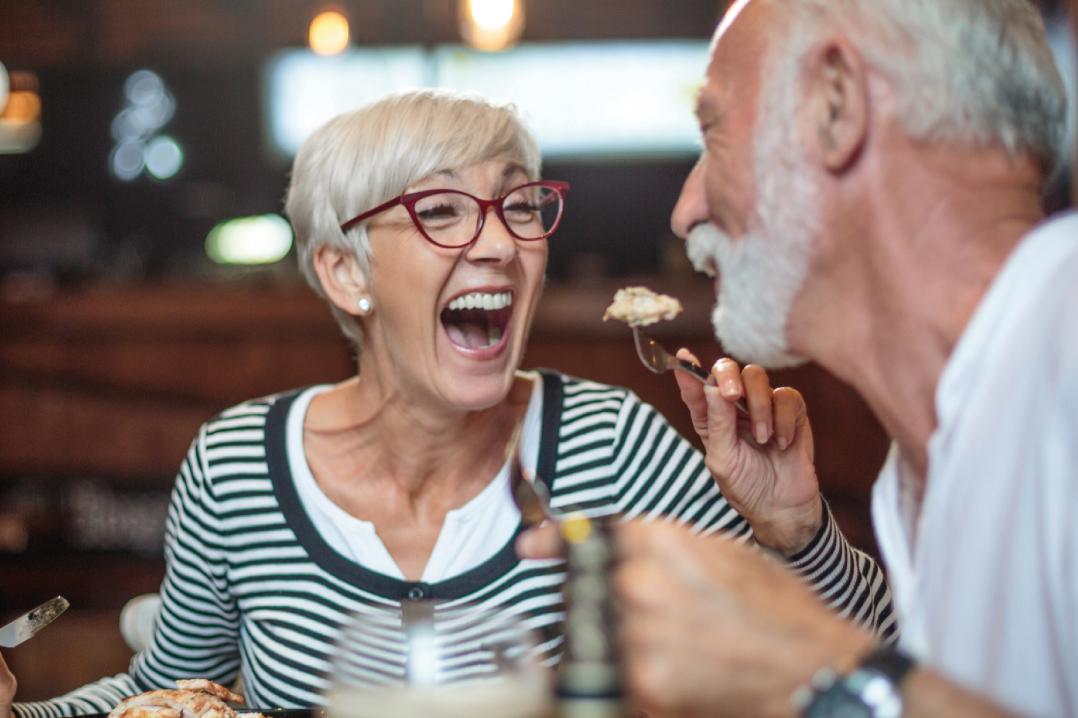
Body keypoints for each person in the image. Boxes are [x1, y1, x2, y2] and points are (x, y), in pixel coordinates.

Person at [0, 88, 895, 718]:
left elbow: (870, 675)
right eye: (442, 213)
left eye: (518, 208)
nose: (501, 247)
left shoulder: (611, 448)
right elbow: (162, 699)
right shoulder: (237, 467)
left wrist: (798, 533)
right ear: (345, 271)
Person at [523, 0, 1077, 715]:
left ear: (835, 105)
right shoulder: (919, 467)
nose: (683, 210)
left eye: (714, 134)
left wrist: (810, 666)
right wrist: (801, 540)